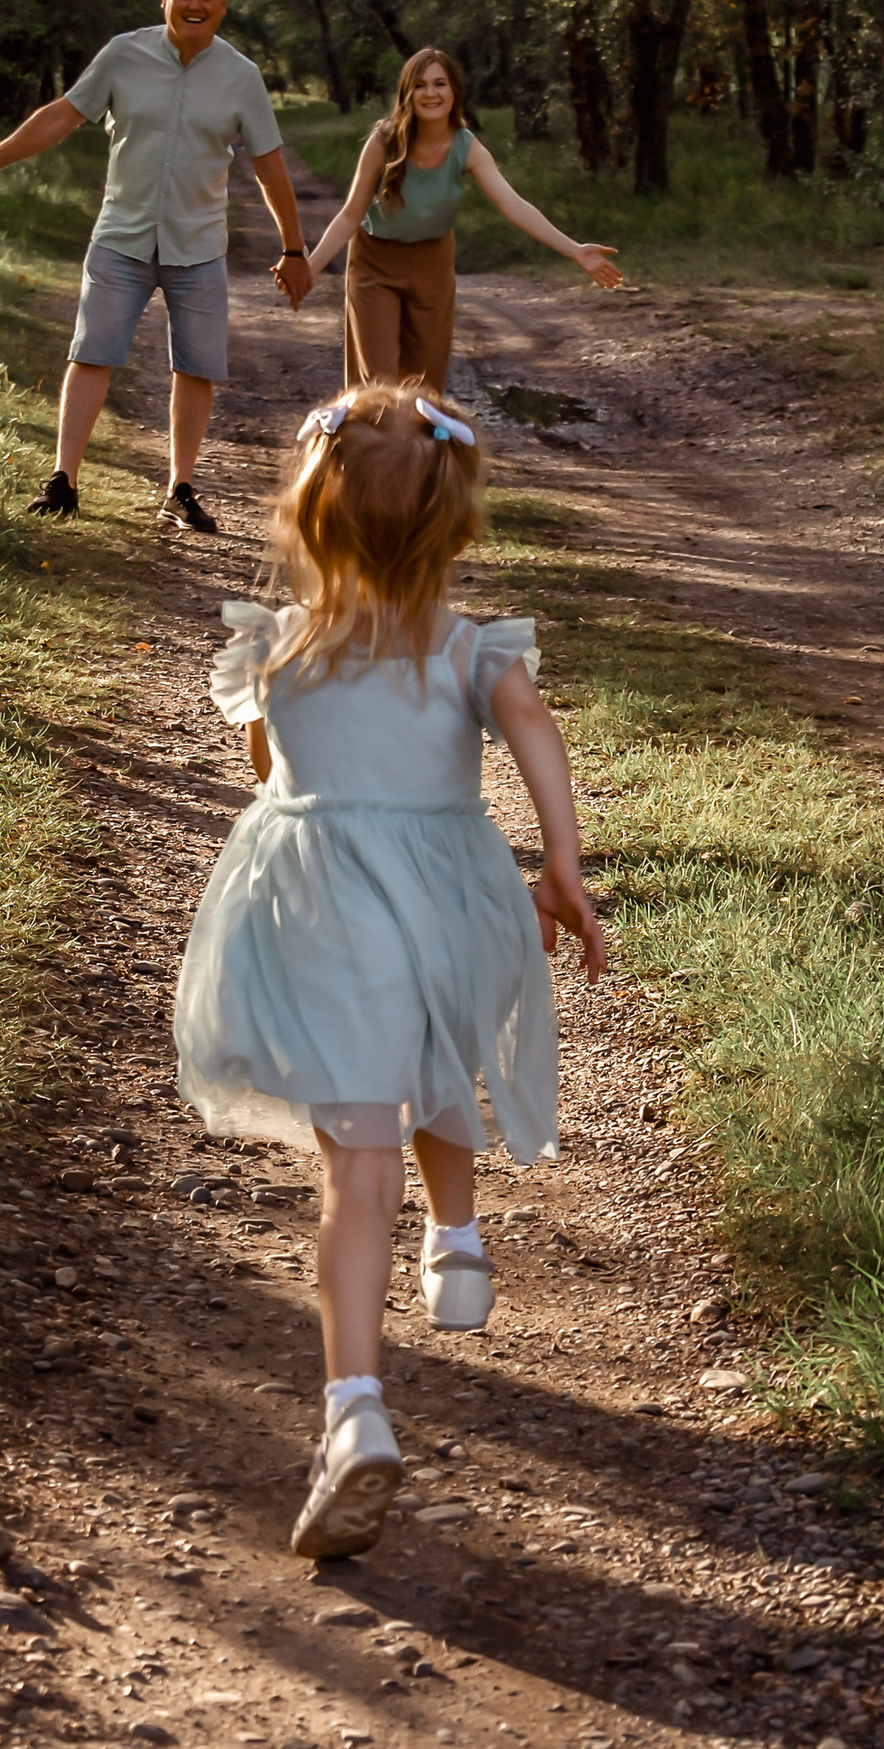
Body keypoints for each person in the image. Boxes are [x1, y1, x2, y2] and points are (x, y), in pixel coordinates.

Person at [172, 380, 608, 1561]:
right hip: (449, 891)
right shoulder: (469, 649)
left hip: (318, 908)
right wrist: (560, 864)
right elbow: (538, 741)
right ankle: (458, 1237)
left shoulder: (276, 653)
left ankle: (354, 1406)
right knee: (444, 1043)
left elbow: (273, 772)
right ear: (456, 520)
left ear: (309, 515)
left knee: (353, 1169)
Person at [0, 0, 314, 531]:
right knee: (91, 353)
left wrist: (294, 248)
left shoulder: (241, 75)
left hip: (199, 244)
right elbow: (60, 117)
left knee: (197, 368)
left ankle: (180, 488)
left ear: (224, 5)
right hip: (121, 237)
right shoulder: (123, 54)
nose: (195, 5)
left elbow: (267, 164)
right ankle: (63, 481)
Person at [305, 47, 621, 394]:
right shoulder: (384, 141)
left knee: (423, 388)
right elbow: (351, 214)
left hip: (432, 266)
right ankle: (372, 447)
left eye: (440, 84)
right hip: (374, 264)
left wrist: (574, 249)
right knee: (378, 386)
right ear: (407, 93)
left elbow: (513, 204)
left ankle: (420, 449)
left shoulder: (466, 146)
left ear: (454, 91)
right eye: (420, 85)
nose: (430, 93)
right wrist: (309, 267)